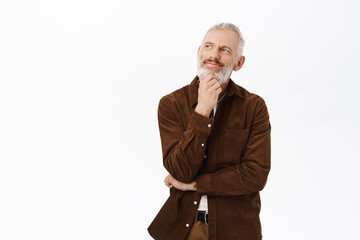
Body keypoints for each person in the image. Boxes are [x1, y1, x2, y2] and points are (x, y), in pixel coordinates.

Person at [148, 23, 271, 240]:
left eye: (225, 50)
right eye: (208, 46)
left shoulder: (253, 107)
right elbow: (180, 170)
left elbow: (255, 175)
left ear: (239, 63)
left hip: (237, 231)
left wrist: (193, 185)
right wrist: (202, 111)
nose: (213, 56)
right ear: (199, 52)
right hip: (187, 228)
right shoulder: (171, 104)